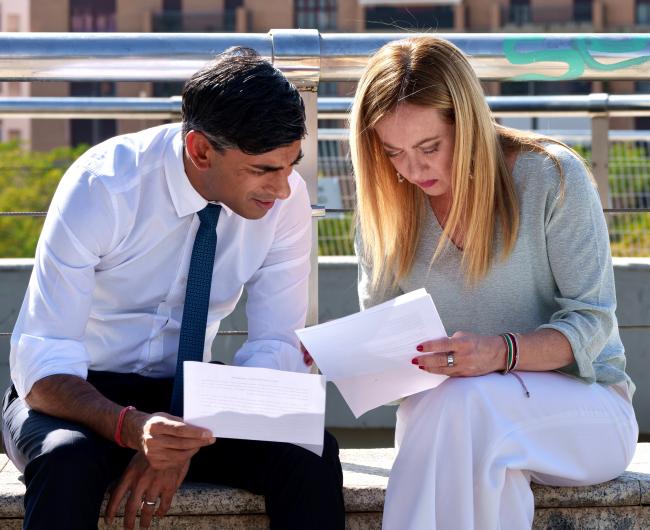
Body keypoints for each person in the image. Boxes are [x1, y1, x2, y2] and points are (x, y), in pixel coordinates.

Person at [2, 47, 345, 530]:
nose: (284, 188)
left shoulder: (284, 202)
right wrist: (131, 428)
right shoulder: (103, 186)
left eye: (291, 165)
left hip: (192, 393)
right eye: (264, 169)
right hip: (76, 395)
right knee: (66, 458)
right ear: (200, 151)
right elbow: (43, 358)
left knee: (310, 452)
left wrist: (188, 431)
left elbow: (276, 345)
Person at [349, 36, 638, 530]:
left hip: (584, 412)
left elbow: (592, 323)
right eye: (393, 152)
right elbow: (389, 347)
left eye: (429, 147)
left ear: (469, 125)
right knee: (480, 448)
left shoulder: (550, 176)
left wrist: (498, 354)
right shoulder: (387, 203)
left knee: (470, 406)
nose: (412, 170)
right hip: (449, 422)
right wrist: (350, 353)